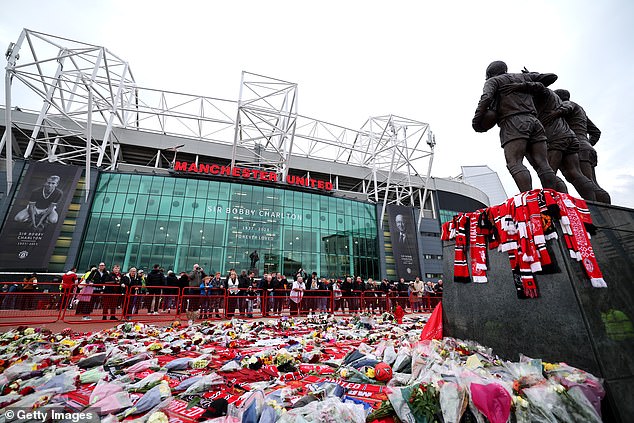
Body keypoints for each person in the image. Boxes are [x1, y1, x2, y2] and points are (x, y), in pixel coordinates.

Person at [472, 61, 559, 193]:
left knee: (514, 162)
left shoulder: (493, 81)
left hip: (513, 122)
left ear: (489, 73)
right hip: (534, 121)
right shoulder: (524, 77)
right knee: (543, 163)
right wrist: (527, 79)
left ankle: (528, 198)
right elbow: (551, 77)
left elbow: (486, 98)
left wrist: (477, 120)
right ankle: (553, 197)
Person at [554, 89, 611, 203]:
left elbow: (565, 109)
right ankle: (605, 212)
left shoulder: (568, 104)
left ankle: (599, 211)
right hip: (586, 147)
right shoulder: (581, 110)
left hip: (577, 147)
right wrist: (588, 144)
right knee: (593, 182)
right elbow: (596, 132)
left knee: (586, 181)